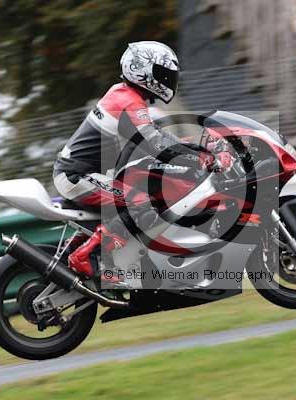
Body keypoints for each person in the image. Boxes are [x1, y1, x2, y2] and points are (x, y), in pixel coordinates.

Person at [53, 41, 225, 284]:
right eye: (162, 74)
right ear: (141, 70)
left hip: (80, 173)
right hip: (77, 176)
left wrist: (194, 148)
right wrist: (196, 157)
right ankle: (85, 256)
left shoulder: (124, 94)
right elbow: (155, 144)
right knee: (140, 202)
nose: (168, 80)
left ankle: (100, 254)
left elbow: (154, 136)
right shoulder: (128, 101)